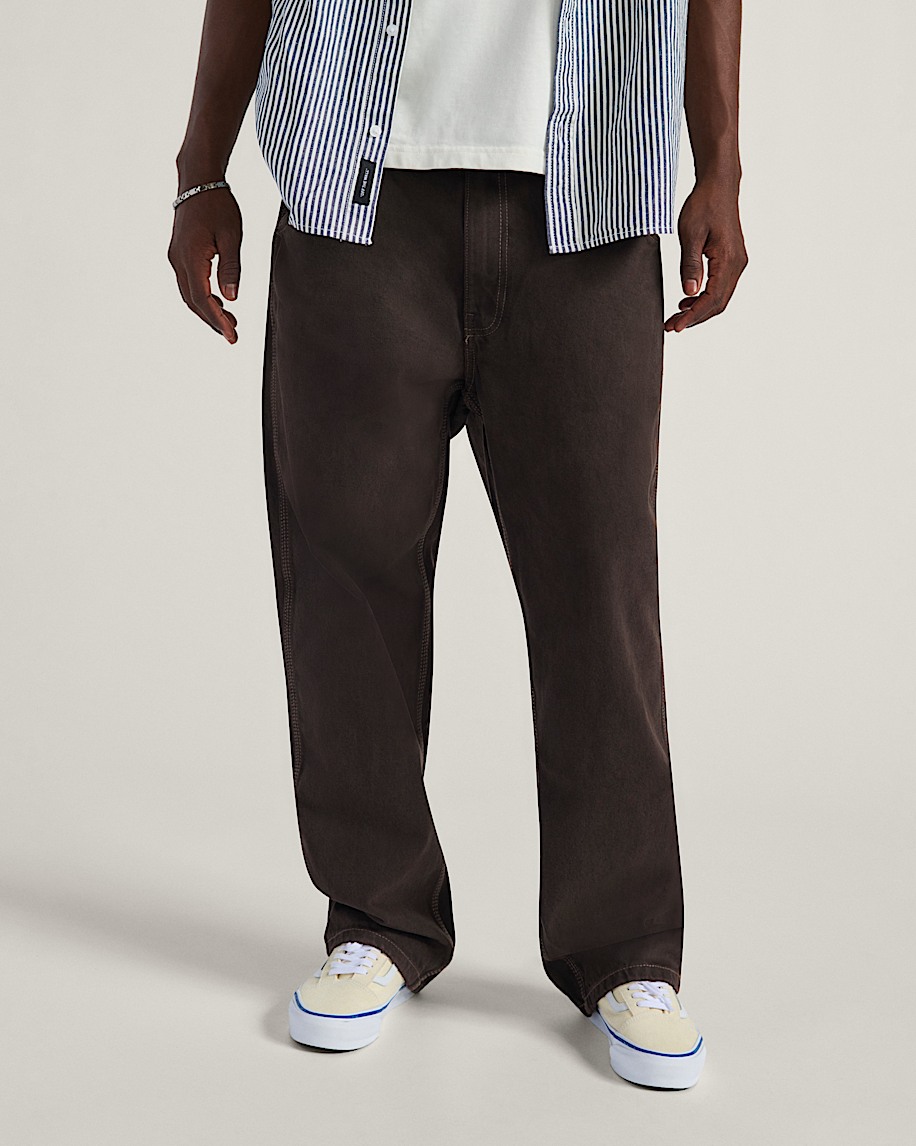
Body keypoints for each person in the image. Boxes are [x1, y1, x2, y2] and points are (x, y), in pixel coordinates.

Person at [169, 0, 746, 1090]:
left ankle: (624, 947)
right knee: (346, 578)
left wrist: (720, 165)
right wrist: (202, 174)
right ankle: (377, 919)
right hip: (353, 191)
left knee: (600, 589)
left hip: (589, 198)